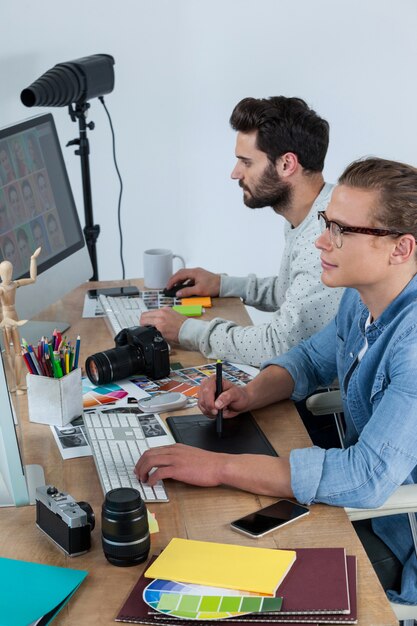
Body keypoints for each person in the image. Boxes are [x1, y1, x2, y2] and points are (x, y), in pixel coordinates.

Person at [136, 157, 417, 605]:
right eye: (327, 223)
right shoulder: (362, 298)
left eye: (342, 231)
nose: (322, 240)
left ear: (400, 249)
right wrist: (248, 392)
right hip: (368, 503)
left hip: (398, 532)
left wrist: (219, 467)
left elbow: (367, 477)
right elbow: (309, 358)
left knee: (228, 564)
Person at [140, 96, 343, 367]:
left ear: (286, 164)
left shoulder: (323, 237)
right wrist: (223, 284)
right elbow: (292, 291)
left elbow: (276, 345)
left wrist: (186, 331)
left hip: (317, 396)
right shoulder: (313, 212)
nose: (235, 174)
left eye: (246, 162)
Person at [0, 247, 41, 393]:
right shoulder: (1, 289)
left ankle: (18, 384)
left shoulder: (14, 284)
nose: (8, 275)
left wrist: (32, 260)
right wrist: (3, 322)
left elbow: (32, 279)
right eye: (5, 272)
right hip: (6, 320)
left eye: (10, 272)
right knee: (9, 353)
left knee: (18, 352)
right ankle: (12, 385)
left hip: (14, 315)